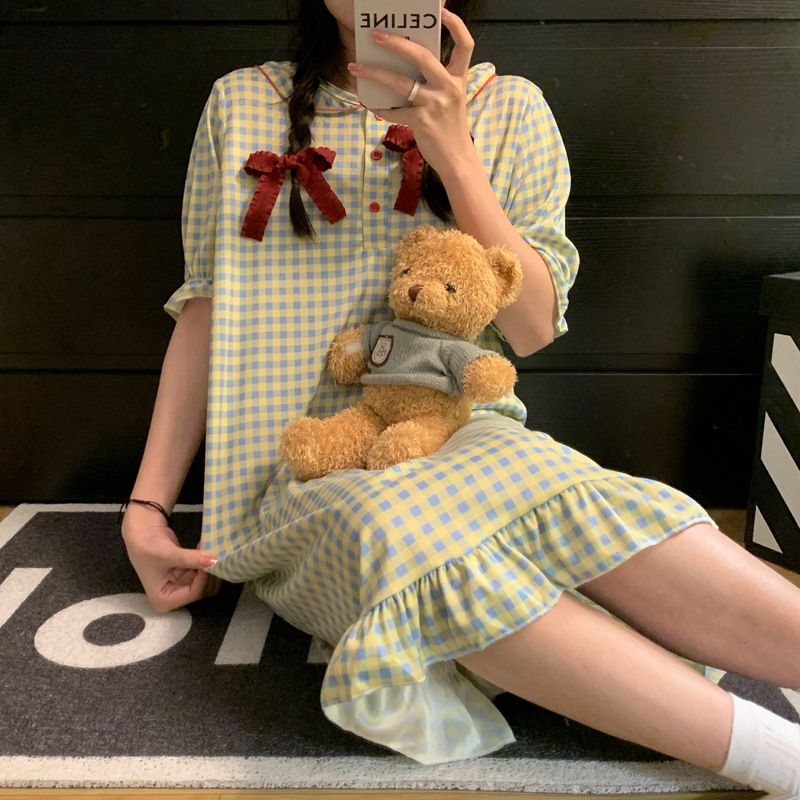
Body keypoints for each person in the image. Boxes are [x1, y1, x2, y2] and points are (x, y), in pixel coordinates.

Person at [120, 0, 800, 792]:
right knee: (397, 533)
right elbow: (207, 307)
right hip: (299, 469)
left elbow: (533, 326)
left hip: (458, 429)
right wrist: (147, 507)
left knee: (576, 494)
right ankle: (778, 761)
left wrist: (453, 150)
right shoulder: (241, 103)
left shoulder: (510, 108)